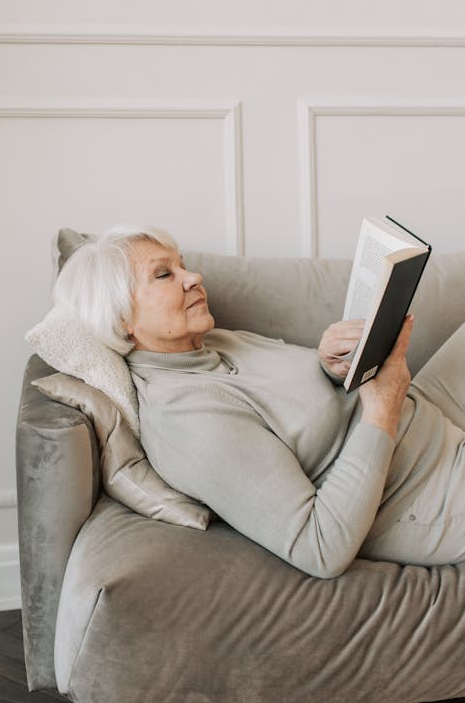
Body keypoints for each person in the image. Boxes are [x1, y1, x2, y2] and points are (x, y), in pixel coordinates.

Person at [53, 226, 465, 578]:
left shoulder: (209, 342)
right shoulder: (186, 420)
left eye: (182, 264)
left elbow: (295, 410)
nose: (193, 276)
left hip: (427, 414)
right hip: (428, 492)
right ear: (121, 318)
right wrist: (382, 410)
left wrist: (329, 363)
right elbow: (319, 547)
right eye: (164, 275)